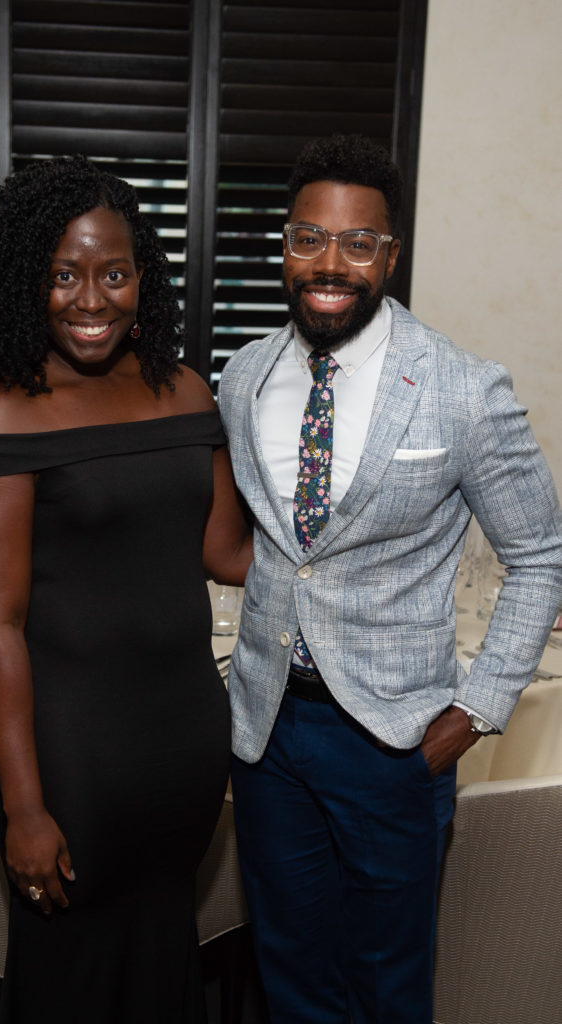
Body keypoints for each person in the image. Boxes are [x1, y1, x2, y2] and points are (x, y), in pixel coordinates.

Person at [217, 133, 562, 1023]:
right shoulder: (244, 377)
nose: (331, 264)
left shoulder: (461, 389)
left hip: (391, 743)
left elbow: (538, 557)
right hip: (265, 734)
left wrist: (474, 711)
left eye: (358, 242)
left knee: (387, 985)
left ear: (390, 254)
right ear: (284, 244)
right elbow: (268, 547)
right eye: (309, 238)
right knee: (289, 970)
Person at [0, 155, 252, 1024]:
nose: (91, 300)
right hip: (69, 752)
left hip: (182, 741)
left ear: (141, 278)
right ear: (24, 282)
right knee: (69, 970)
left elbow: (228, 554)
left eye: (113, 274)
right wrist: (25, 806)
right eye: (63, 276)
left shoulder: (183, 389)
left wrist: (363, 545)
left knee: (161, 952)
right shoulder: (1, 414)